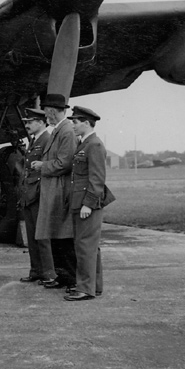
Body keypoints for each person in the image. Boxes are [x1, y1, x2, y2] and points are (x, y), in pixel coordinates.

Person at [31, 93, 77, 290]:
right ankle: (63, 277)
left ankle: (72, 278)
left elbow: (65, 163)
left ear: (51, 111)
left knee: (64, 238)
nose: (45, 115)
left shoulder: (66, 131)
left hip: (60, 190)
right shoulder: (60, 130)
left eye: (46, 111)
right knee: (56, 236)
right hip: (54, 190)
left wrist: (42, 165)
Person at [64, 106, 108, 301]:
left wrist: (88, 204)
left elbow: (97, 178)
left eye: (75, 122)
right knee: (89, 245)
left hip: (87, 203)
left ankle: (85, 289)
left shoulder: (94, 145)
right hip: (80, 201)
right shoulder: (85, 144)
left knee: (85, 246)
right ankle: (94, 286)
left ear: (86, 123)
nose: (73, 125)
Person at [18, 108, 57, 284]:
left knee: (42, 236)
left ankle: (48, 273)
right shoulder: (34, 140)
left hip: (39, 193)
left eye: (30, 122)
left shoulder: (47, 139)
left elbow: (47, 167)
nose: (27, 125)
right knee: (33, 234)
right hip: (30, 194)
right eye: (26, 122)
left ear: (41, 122)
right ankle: (36, 271)